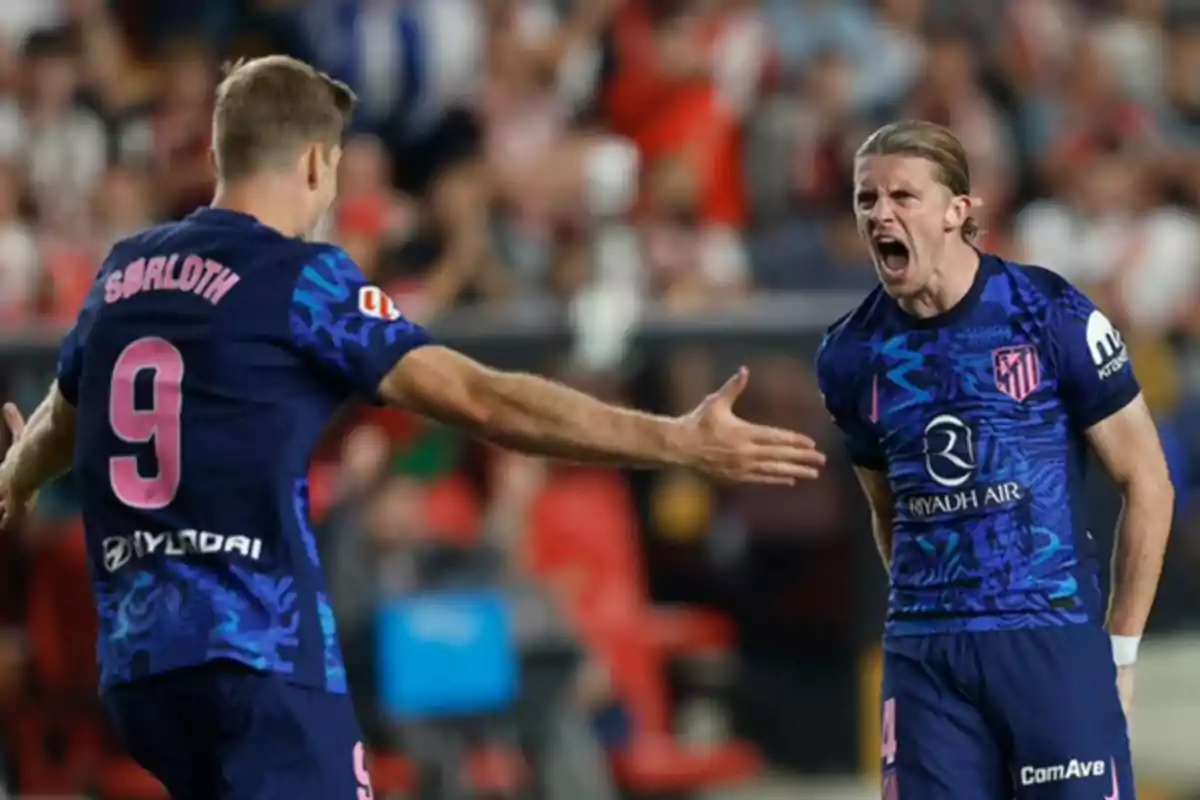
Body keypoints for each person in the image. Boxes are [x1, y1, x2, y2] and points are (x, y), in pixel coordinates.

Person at [0, 55, 826, 800]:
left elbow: (59, 421)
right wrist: (673, 439)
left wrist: (16, 478)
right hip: (257, 658)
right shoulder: (300, 276)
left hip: (140, 669)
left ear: (218, 156)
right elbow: (481, 397)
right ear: (320, 163)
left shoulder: (122, 274)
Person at [815, 120, 1173, 800]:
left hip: (1049, 638)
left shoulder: (1049, 314)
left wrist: (1119, 651)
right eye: (866, 200)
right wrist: (934, 608)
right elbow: (885, 506)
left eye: (902, 196)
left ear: (959, 211)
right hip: (927, 657)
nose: (879, 215)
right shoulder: (850, 355)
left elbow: (1147, 479)